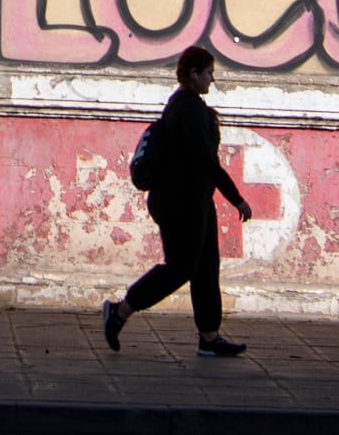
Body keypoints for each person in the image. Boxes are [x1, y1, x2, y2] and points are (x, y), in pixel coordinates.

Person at [101, 45, 251, 358]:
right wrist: (235, 197)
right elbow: (204, 159)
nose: (212, 80)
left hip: (196, 200)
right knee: (181, 268)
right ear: (194, 74)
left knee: (206, 268)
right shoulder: (187, 107)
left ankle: (209, 337)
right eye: (209, 73)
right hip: (179, 202)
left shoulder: (188, 106)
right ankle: (120, 311)